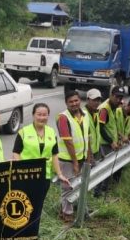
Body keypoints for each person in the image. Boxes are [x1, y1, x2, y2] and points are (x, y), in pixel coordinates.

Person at [56, 89, 93, 223]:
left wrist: (89, 156)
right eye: (70, 102)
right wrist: (75, 163)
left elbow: (87, 137)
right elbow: (68, 141)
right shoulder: (63, 117)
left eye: (76, 100)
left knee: (77, 185)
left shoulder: (85, 115)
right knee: (68, 187)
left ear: (80, 101)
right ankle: (67, 214)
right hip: (68, 160)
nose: (74, 103)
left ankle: (65, 209)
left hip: (82, 157)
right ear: (66, 103)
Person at [12, 102, 68, 184]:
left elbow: (54, 154)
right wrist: (21, 170)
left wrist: (59, 174)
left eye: (44, 115)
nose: (42, 117)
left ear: (48, 116)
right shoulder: (23, 132)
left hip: (45, 176)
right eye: (39, 114)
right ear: (33, 115)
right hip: (26, 176)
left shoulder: (52, 132)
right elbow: (16, 153)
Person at [97, 87, 125, 158]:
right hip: (104, 144)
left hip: (110, 143)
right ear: (111, 95)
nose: (118, 100)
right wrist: (111, 142)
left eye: (120, 98)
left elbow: (112, 127)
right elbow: (100, 128)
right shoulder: (105, 109)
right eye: (116, 97)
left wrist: (119, 138)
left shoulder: (113, 107)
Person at [84, 89, 103, 161]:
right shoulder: (83, 114)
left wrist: (101, 150)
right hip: (87, 154)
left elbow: (97, 133)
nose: (97, 103)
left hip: (96, 151)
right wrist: (90, 154)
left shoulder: (96, 113)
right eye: (94, 100)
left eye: (98, 100)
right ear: (88, 100)